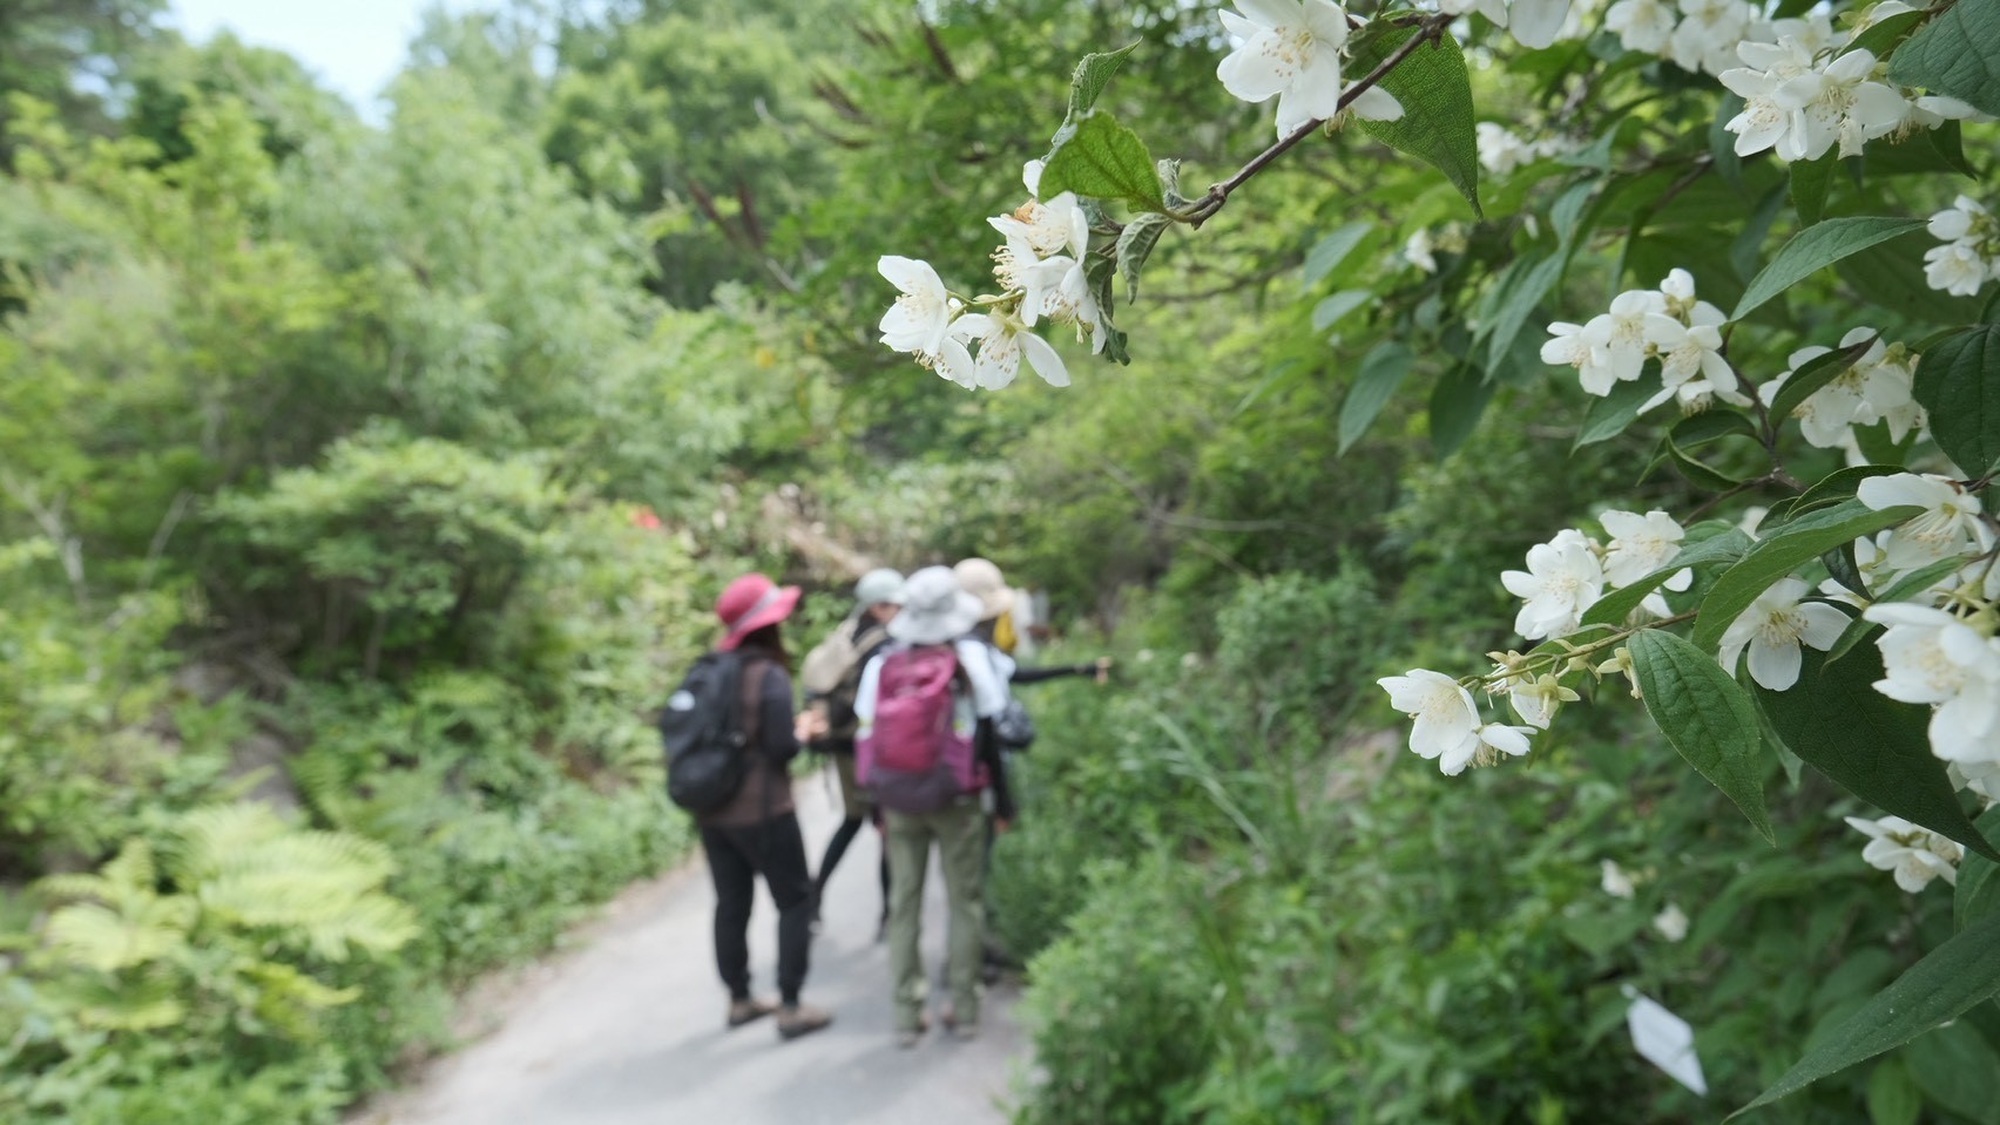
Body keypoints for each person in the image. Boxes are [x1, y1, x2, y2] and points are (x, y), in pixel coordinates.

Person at [853, 566, 1011, 1047]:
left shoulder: (881, 664)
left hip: (899, 800)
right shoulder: (968, 661)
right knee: (964, 901)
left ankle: (906, 1014)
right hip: (957, 800)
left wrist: (877, 807)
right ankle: (964, 1007)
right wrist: (1003, 802)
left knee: (905, 904)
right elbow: (991, 737)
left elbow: (867, 739)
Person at [691, 573, 832, 1041]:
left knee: (731, 904)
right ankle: (790, 1006)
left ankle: (739, 999)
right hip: (765, 811)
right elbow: (780, 748)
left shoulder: (709, 670)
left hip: (713, 811)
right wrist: (802, 733)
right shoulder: (767, 675)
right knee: (794, 901)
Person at [800, 567, 904, 933]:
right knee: (883, 826)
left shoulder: (847, 632)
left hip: (842, 748)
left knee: (853, 820)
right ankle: (890, 917)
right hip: (864, 748)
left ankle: (815, 897)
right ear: (879, 606)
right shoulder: (879, 641)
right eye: (894, 604)